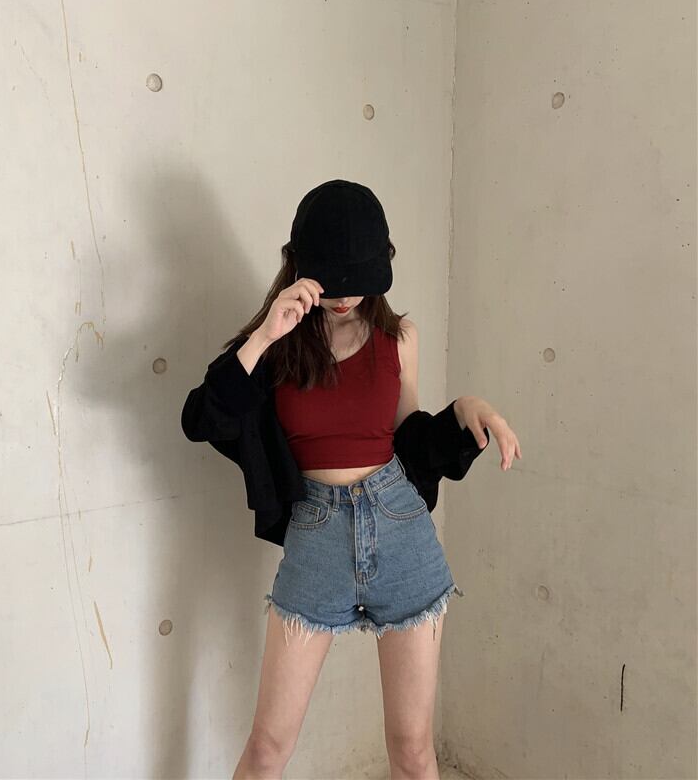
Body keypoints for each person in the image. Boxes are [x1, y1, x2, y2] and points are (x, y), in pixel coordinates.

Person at [183, 179, 521, 780]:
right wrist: (264, 335)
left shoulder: (400, 338)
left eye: (357, 279)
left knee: (412, 750)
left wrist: (465, 410)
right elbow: (203, 418)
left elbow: (409, 438)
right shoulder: (279, 344)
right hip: (316, 539)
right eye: (331, 281)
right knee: (268, 747)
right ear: (298, 265)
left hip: (402, 532)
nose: (343, 297)